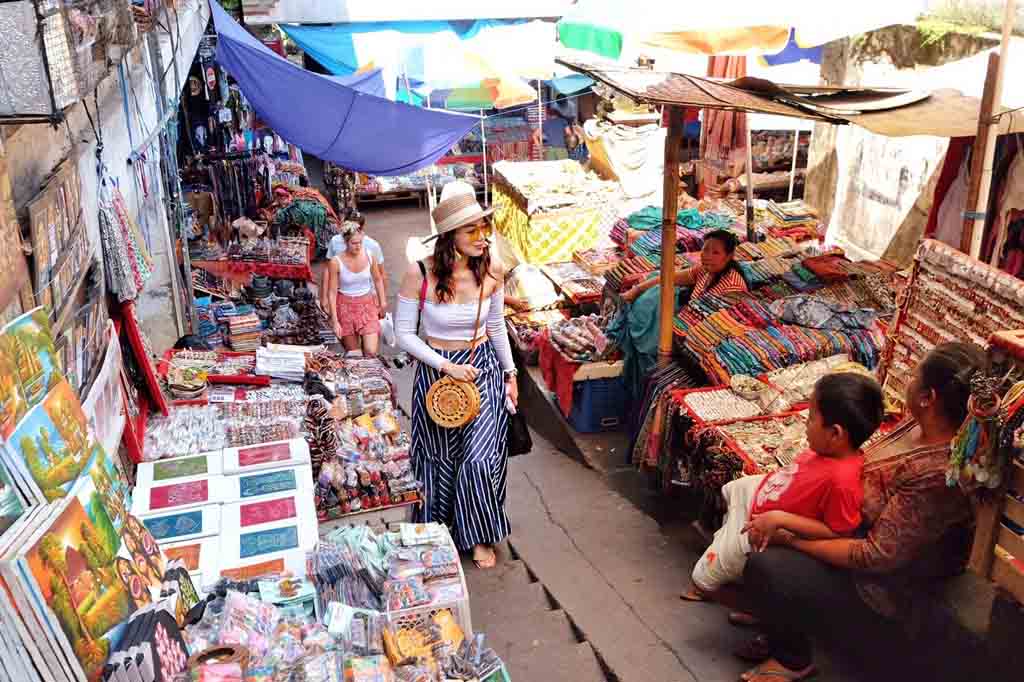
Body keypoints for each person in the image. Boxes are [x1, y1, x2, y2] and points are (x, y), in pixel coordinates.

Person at [738, 343, 984, 682]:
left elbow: (874, 556)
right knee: (767, 508)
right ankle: (779, 610)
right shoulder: (916, 427)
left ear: (928, 398)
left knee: (769, 565)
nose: (908, 382)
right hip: (848, 533)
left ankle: (792, 659)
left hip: (881, 592)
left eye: (914, 376)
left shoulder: (936, 474)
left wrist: (793, 539)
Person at [395, 180, 518, 570]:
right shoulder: (420, 274)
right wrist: (444, 365)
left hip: (483, 369)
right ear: (449, 237)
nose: (483, 238)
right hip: (436, 373)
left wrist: (511, 373)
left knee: (480, 459)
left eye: (485, 228)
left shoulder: (492, 272)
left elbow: (496, 327)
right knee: (436, 459)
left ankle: (480, 534)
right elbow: (402, 334)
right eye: (473, 230)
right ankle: (438, 530)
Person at [683, 373, 884, 602]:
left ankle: (729, 596)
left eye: (810, 419)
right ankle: (730, 544)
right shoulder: (827, 451)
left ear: (835, 433)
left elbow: (837, 531)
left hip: (766, 522)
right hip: (764, 498)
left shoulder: (843, 481)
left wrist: (781, 519)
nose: (805, 424)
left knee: (707, 573)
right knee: (733, 490)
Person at [622, 229, 748, 303]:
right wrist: (636, 290)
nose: (707, 256)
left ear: (728, 256)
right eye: (705, 250)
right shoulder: (704, 269)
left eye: (715, 252)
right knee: (654, 289)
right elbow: (668, 278)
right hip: (689, 324)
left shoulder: (733, 286)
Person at [327, 223, 387, 355]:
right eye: (354, 243)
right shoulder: (336, 262)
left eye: (360, 242)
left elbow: (378, 279)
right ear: (345, 242)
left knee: (371, 352)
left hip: (367, 306)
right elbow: (331, 292)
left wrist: (383, 302)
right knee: (355, 355)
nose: (358, 246)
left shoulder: (370, 256)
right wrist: (335, 321)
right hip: (345, 308)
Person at [321, 213, 386, 311]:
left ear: (362, 228)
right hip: (342, 296)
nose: (352, 232)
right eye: (349, 229)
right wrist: (324, 297)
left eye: (356, 229)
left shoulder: (373, 246)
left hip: (369, 298)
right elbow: (327, 270)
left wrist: (381, 302)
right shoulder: (335, 241)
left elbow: (380, 276)